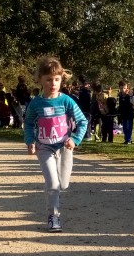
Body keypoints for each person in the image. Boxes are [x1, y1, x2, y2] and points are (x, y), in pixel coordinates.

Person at [24, 56, 88, 232]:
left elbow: (82, 121)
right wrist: (30, 141)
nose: (53, 84)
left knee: (63, 185)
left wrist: (75, 139)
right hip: (44, 148)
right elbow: (28, 123)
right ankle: (54, 217)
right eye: (48, 80)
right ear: (40, 80)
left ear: (61, 79)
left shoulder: (66, 101)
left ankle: (56, 198)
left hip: (64, 147)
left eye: (57, 79)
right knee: (53, 184)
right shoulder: (36, 103)